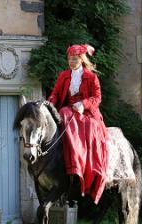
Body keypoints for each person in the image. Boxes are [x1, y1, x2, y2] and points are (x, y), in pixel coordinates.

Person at [47, 44, 109, 204]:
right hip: (68, 109)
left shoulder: (91, 77)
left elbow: (97, 98)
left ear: (81, 59)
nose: (71, 62)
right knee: (63, 115)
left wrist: (83, 104)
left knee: (85, 126)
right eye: (69, 59)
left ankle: (80, 161)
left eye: (74, 59)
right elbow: (55, 94)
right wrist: (50, 103)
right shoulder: (63, 76)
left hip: (86, 113)